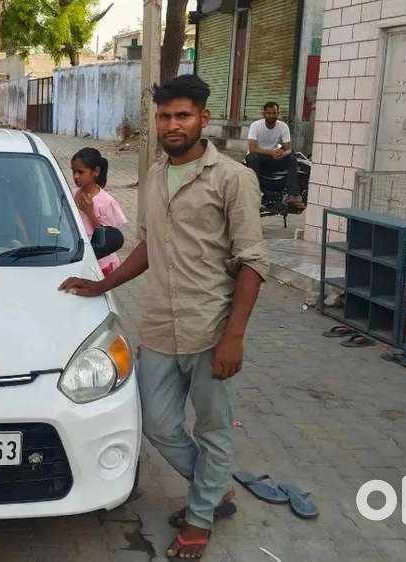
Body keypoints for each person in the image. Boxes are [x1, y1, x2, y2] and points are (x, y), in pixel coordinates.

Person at [59, 74, 266, 560]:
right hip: (158, 328)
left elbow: (253, 261)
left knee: (213, 429)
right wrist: (102, 284)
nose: (173, 125)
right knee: (157, 424)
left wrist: (234, 336)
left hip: (211, 327)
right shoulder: (153, 176)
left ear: (203, 120)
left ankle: (199, 518)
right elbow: (149, 247)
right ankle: (213, 490)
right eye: (165, 116)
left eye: (183, 116)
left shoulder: (234, 179)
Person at [70, 147, 128, 277]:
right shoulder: (72, 194)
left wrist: (90, 213)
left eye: (81, 172)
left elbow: (108, 238)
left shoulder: (106, 202)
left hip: (100, 261)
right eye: (73, 171)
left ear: (95, 171)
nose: (75, 176)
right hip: (78, 256)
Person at [244, 101, 301, 209]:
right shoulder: (255, 125)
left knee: (292, 158)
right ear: (264, 114)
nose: (271, 116)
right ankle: (256, 193)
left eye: (274, 113)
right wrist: (271, 152)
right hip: (259, 156)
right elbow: (252, 149)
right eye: (269, 113)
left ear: (278, 113)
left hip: (274, 157)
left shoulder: (283, 126)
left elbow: (289, 149)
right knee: (252, 157)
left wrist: (282, 154)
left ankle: (293, 195)